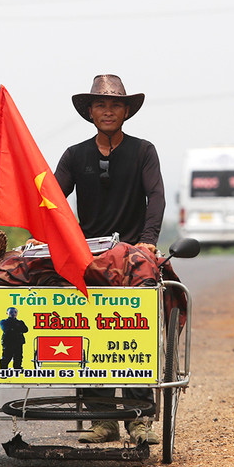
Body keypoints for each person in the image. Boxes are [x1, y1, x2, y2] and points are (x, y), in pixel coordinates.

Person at [54, 74, 165, 445]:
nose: (108, 111)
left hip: (132, 258)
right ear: (90, 111)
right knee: (87, 330)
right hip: (88, 257)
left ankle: (139, 421)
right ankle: (102, 420)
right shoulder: (74, 155)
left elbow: (156, 197)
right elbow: (52, 200)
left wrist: (148, 242)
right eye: (100, 104)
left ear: (126, 111)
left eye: (115, 104)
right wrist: (47, 235)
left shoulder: (143, 151)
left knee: (135, 332)